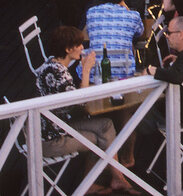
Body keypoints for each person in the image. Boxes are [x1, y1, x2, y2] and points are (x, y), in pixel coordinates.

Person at [34, 25, 136, 194]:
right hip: (51, 139)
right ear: (68, 49)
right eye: (79, 45)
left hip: (56, 124)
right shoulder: (61, 74)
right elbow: (82, 105)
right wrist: (86, 70)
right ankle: (100, 182)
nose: (83, 47)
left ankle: (113, 178)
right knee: (99, 140)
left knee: (106, 125)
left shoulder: (50, 64)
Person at [85, 0, 144, 82]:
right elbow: (139, 32)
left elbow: (90, 33)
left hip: (94, 73)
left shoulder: (91, 13)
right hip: (124, 73)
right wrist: (126, 8)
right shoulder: (133, 16)